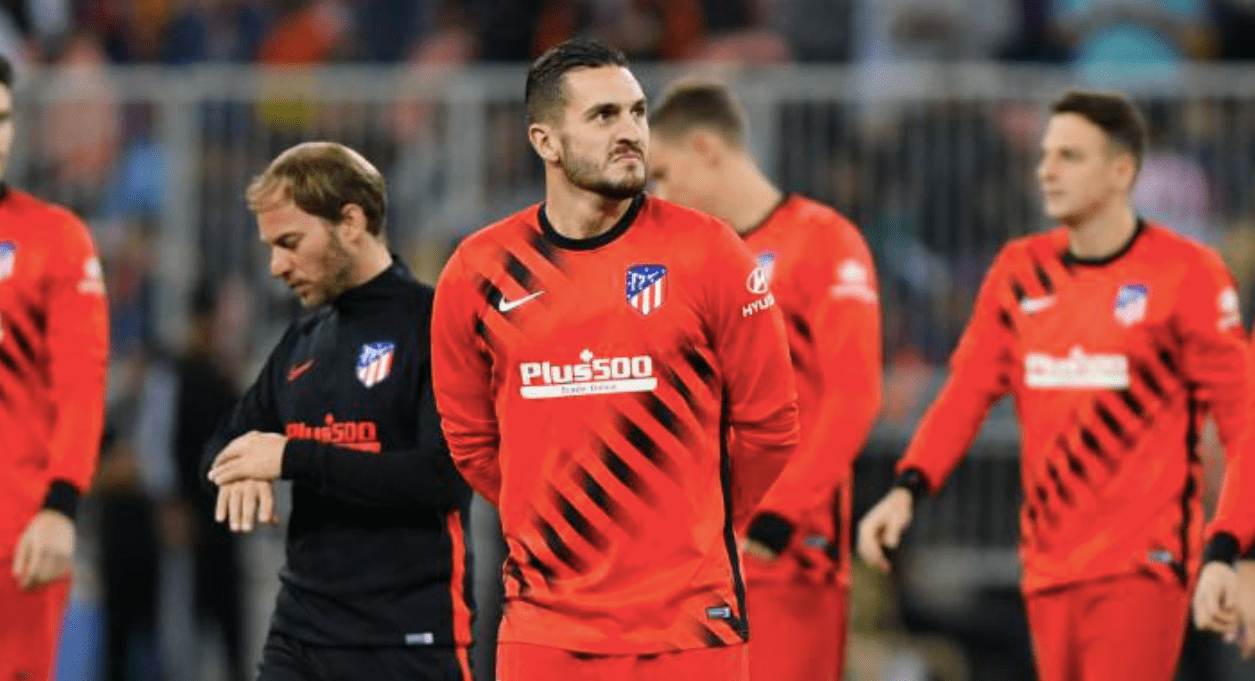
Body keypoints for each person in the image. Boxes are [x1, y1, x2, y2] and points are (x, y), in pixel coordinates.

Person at [430, 37, 799, 681]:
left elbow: (771, 425)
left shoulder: (711, 252)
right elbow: (471, 444)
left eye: (637, 112)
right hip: (546, 633)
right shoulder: (477, 272)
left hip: (689, 629)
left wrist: (697, 526)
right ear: (545, 141)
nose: (630, 131)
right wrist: (554, 518)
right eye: (604, 116)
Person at [857, 90, 1249, 681]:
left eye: (1070, 156)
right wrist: (909, 486)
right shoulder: (1020, 269)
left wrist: (1229, 548)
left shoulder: (1187, 274)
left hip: (1144, 559)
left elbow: (1243, 425)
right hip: (1049, 561)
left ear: (1121, 171)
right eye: (1044, 154)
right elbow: (966, 394)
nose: (1047, 170)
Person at [201, 141, 473, 681]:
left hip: (407, 640)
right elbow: (219, 448)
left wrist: (292, 458)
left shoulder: (434, 322)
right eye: (271, 248)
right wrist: (239, 473)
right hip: (299, 636)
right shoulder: (302, 340)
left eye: (290, 243)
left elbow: (442, 478)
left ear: (350, 222)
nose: (276, 266)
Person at [647, 79, 882, 681]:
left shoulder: (823, 241)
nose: (661, 195)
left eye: (664, 174)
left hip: (786, 556)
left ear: (705, 147)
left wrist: (781, 515)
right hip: (693, 566)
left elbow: (855, 394)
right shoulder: (688, 260)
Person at [0, 52, 110, 681]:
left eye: (3, 119)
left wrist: (61, 505)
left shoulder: (54, 239)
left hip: (16, 537)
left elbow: (81, 383)